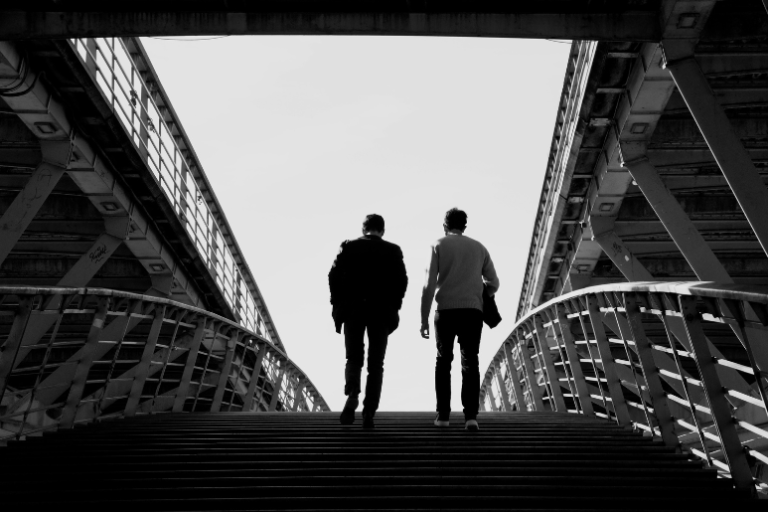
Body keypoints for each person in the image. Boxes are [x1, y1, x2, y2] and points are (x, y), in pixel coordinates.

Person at [420, 208, 499, 431]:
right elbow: (493, 282)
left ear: (444, 226)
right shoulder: (479, 247)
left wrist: (424, 318)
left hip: (445, 311)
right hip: (473, 312)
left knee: (443, 361)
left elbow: (428, 284)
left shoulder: (438, 245)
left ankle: (443, 416)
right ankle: (471, 417)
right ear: (465, 226)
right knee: (470, 361)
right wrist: (480, 293)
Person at [329, 214, 408, 429]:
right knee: (376, 364)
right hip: (381, 311)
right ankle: (369, 412)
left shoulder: (349, 247)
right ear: (382, 231)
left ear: (364, 229)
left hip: (353, 309)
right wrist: (394, 305)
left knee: (353, 358)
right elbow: (402, 281)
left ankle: (353, 391)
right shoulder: (393, 251)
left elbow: (333, 276)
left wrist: (337, 303)